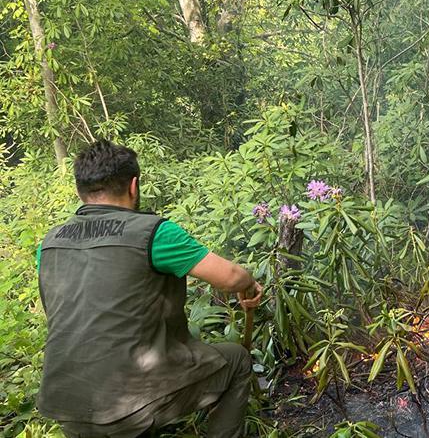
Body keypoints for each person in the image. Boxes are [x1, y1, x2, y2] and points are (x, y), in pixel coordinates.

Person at [35, 139, 264, 438]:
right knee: (236, 360)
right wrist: (249, 283)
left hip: (65, 406)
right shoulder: (153, 233)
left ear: (80, 192)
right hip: (128, 406)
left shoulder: (48, 244)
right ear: (134, 186)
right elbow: (231, 277)